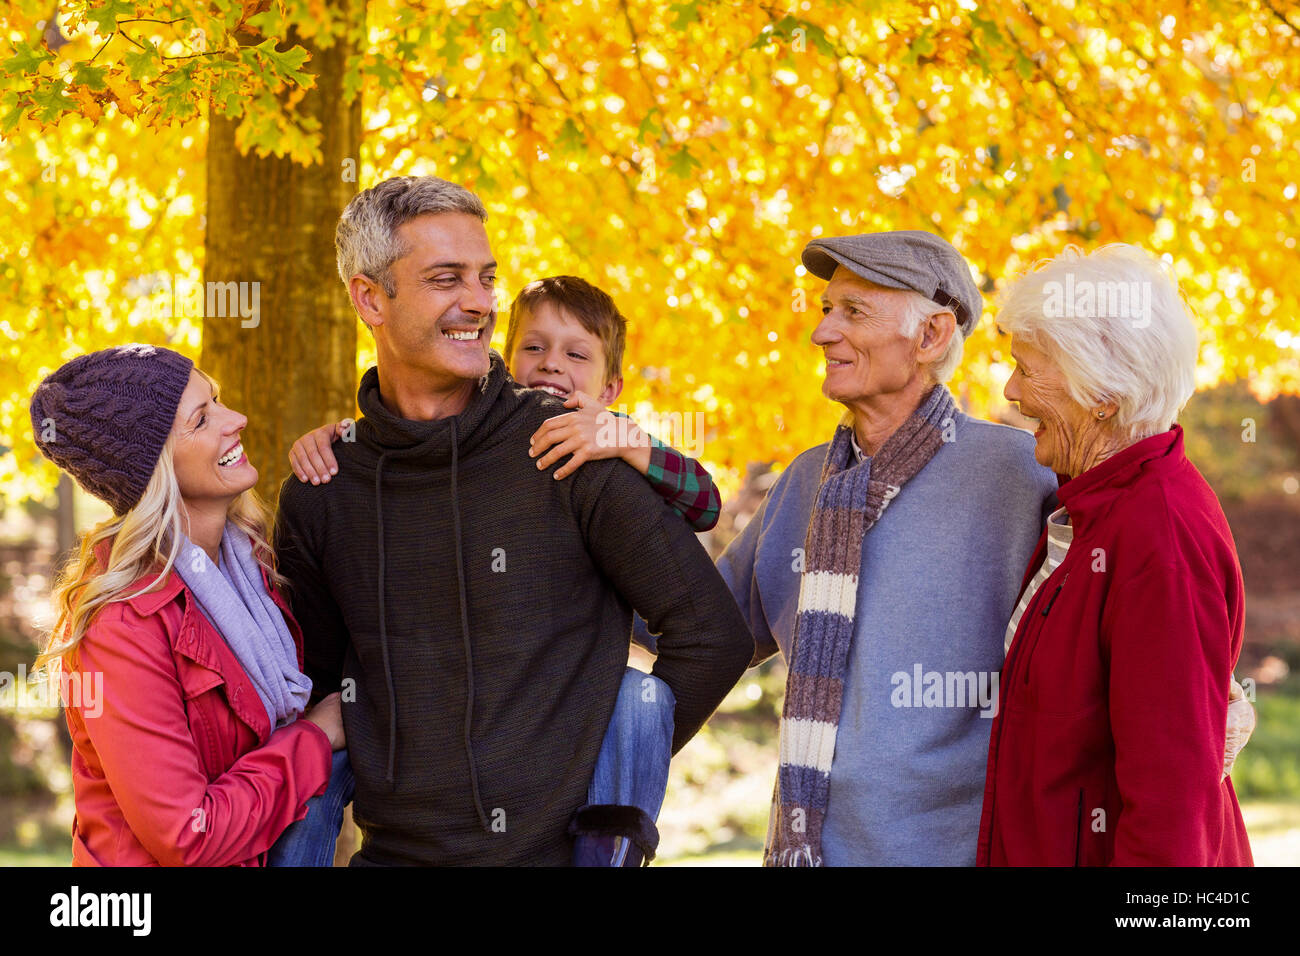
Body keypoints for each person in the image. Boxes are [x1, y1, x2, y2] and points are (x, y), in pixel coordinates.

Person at [715, 231, 1254, 866]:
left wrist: (1214, 704)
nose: (1011, 393)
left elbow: (1170, 779)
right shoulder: (808, 484)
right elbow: (700, 624)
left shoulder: (1077, 496)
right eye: (825, 310)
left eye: (853, 311)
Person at [273, 175, 753, 866]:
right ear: (369, 296)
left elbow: (712, 636)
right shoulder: (324, 488)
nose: (478, 302)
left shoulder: (568, 445)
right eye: (446, 279)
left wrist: (599, 767)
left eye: (485, 278)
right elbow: (315, 692)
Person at [977, 244, 1253, 865]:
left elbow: (1171, 804)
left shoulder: (1159, 532)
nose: (1010, 389)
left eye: (1028, 368)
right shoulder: (1097, 507)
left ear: (1101, 390)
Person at [28, 344, 345, 866]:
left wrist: (347, 448)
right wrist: (313, 738)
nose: (236, 420)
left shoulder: (248, 565)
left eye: (216, 400)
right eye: (202, 419)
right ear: (155, 472)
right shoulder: (123, 623)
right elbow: (186, 834)